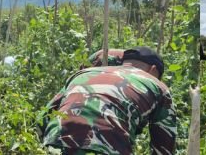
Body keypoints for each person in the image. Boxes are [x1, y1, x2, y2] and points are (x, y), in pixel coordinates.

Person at [41, 47, 176, 155]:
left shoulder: (83, 74)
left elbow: (44, 116)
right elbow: (164, 148)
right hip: (108, 147)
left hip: (55, 142)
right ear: (153, 70)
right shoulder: (158, 86)